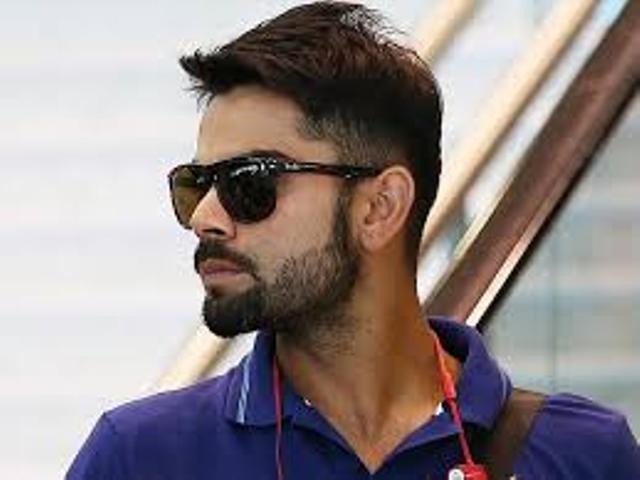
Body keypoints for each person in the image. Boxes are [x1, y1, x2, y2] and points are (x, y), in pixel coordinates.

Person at [66, 2, 640, 479]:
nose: (205, 218)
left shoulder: (584, 457)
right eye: (196, 185)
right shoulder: (140, 458)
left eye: (249, 183)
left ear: (379, 207)